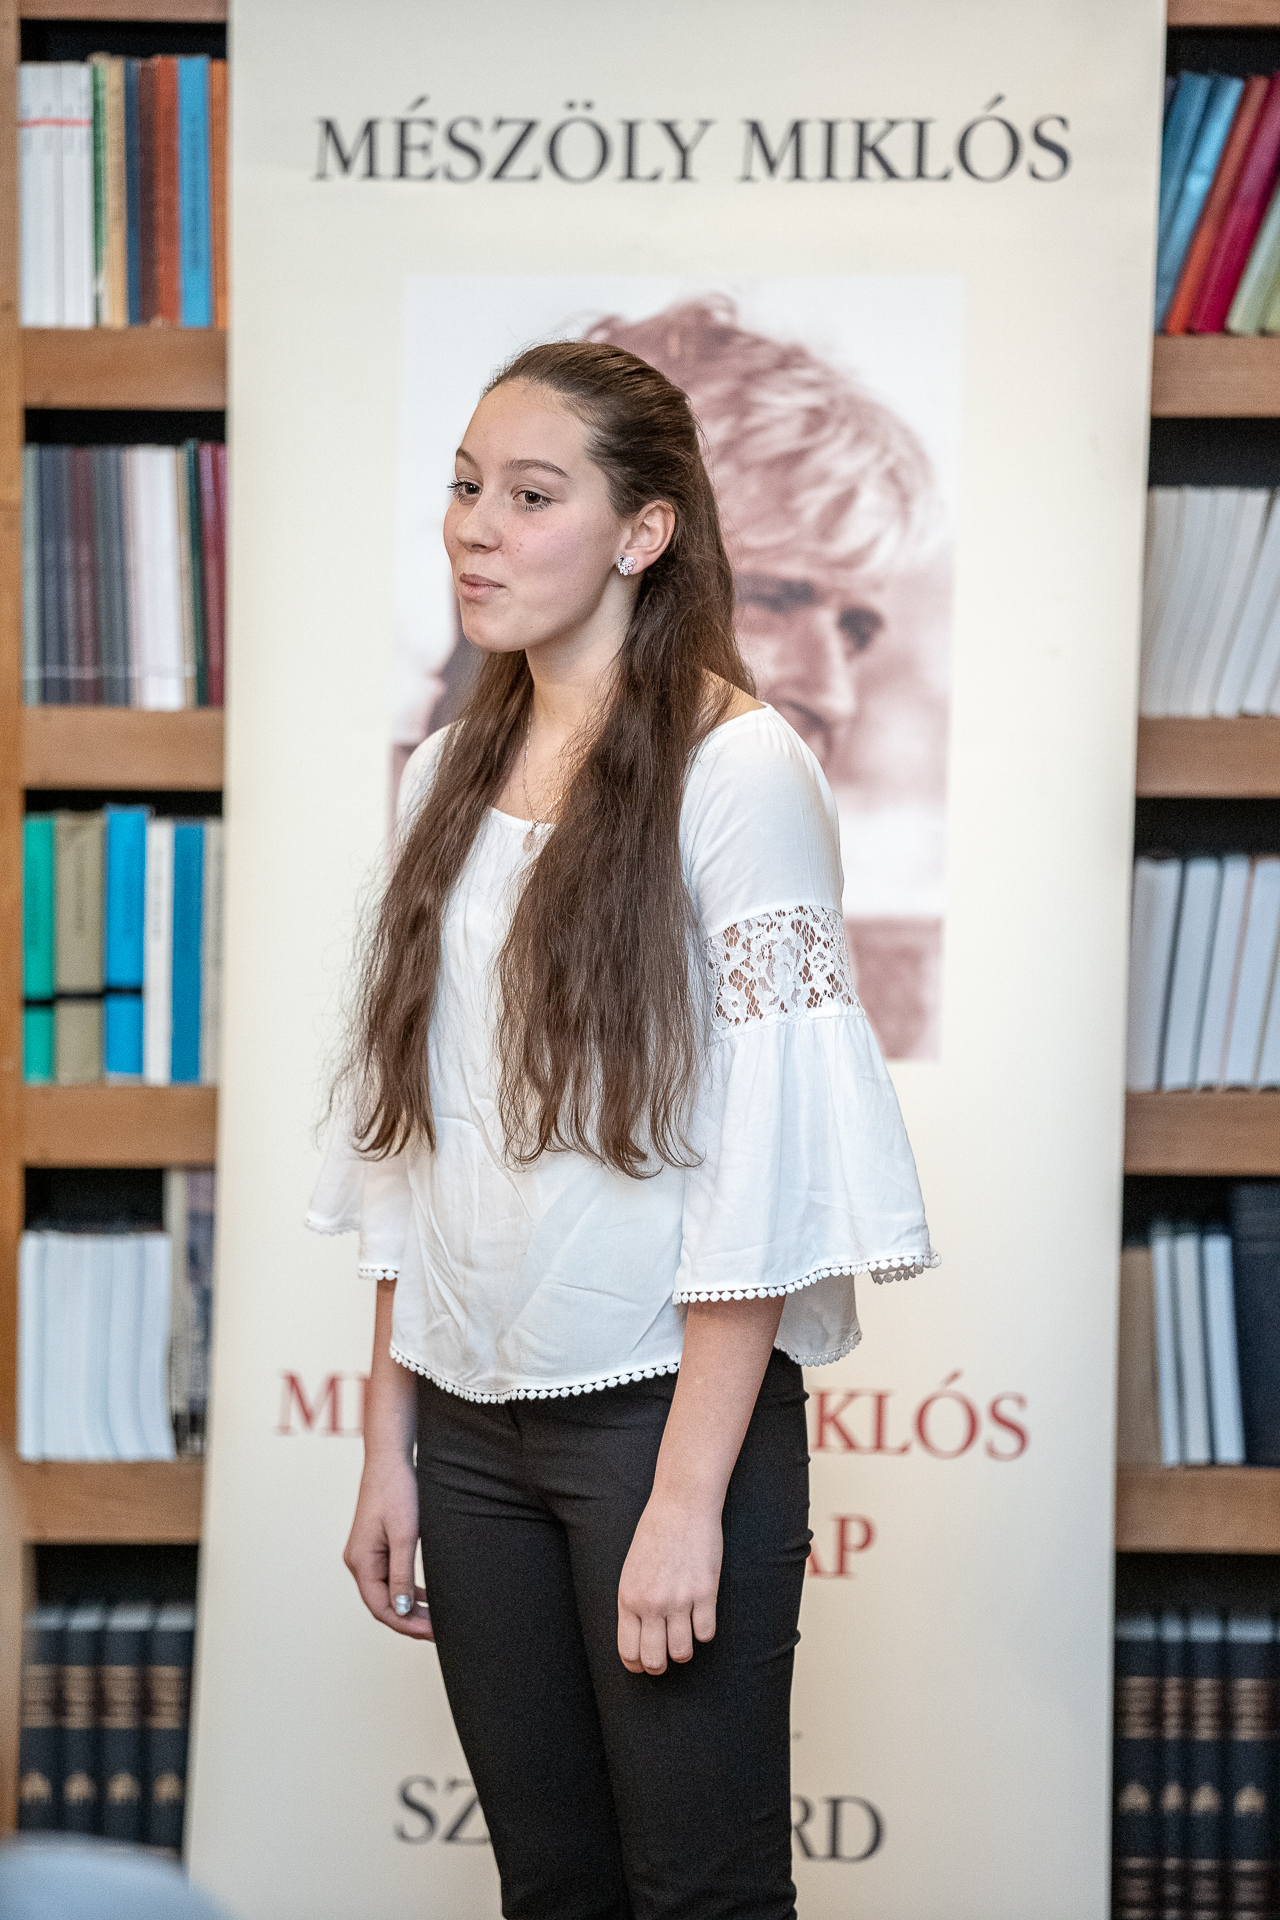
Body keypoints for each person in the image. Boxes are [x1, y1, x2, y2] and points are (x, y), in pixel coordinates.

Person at [307, 339, 935, 1920]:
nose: (475, 526)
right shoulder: (441, 775)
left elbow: (768, 1169)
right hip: (467, 1433)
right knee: (553, 1891)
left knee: (703, 1895)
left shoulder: (742, 770)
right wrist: (388, 1443)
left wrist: (685, 1500)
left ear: (644, 531)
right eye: (466, 486)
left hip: (661, 1425)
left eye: (532, 496)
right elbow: (421, 1140)